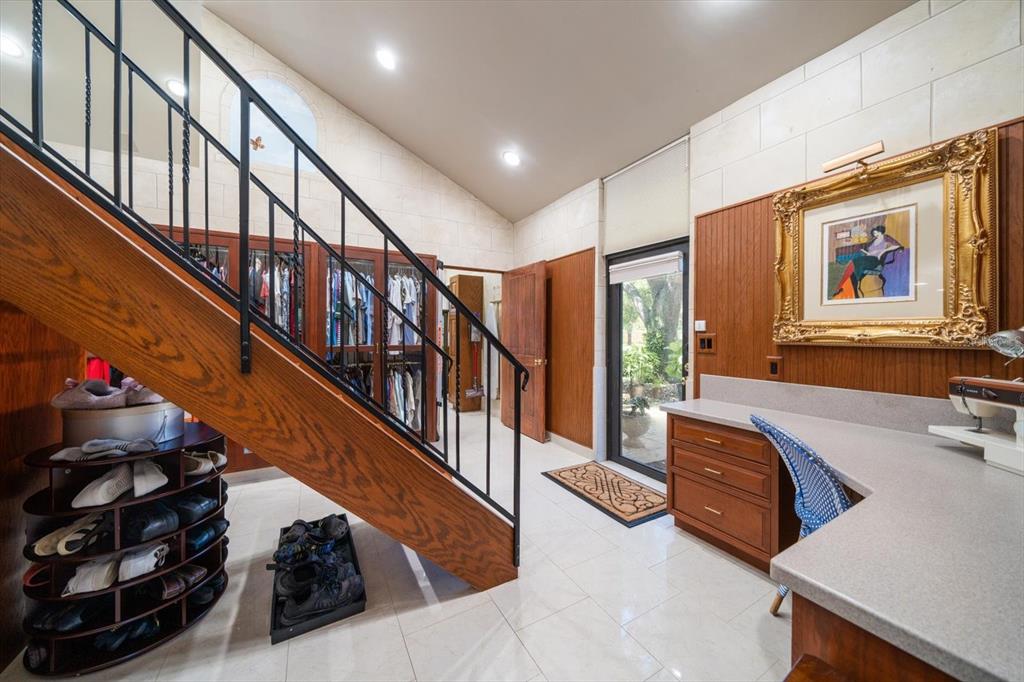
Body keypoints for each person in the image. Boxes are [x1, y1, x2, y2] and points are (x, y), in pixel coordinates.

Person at [832, 225, 903, 298]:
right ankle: (847, 289)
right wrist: (866, 253)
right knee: (853, 266)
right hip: (869, 257)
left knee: (855, 263)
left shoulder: (886, 238)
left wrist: (883, 251)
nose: (875, 235)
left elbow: (897, 246)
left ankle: (845, 288)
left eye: (876, 233)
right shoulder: (874, 240)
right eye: (874, 234)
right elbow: (869, 251)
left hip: (876, 260)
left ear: (880, 232)